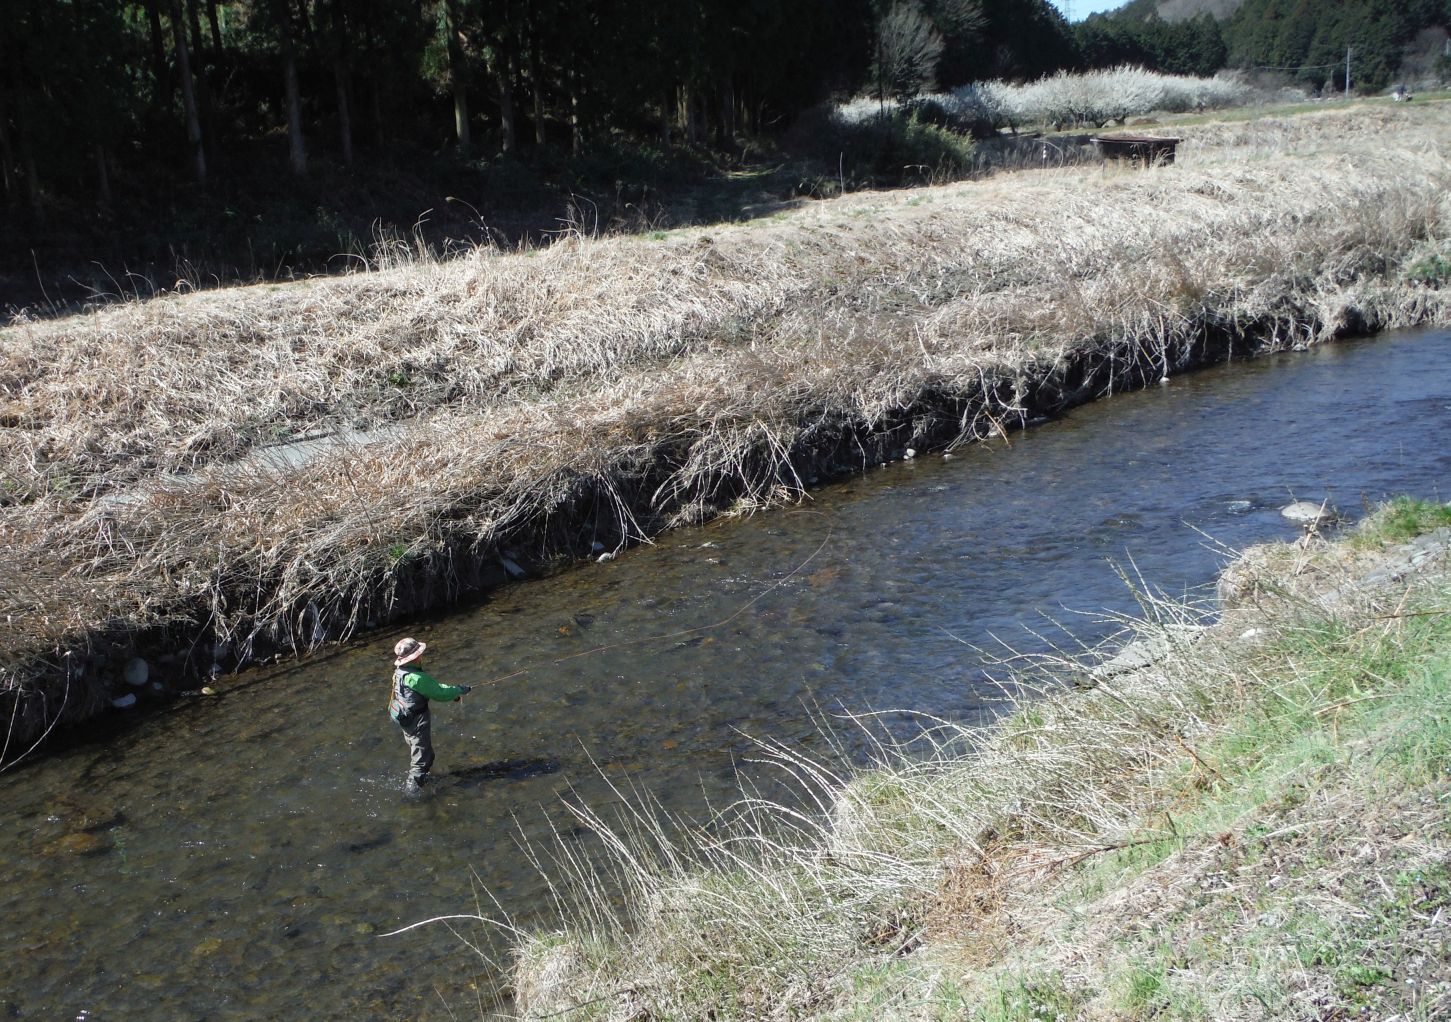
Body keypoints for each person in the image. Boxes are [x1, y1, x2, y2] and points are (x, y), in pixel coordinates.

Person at [388, 637, 471, 792]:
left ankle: (429, 778)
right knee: (421, 761)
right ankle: (411, 795)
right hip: (417, 721)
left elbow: (434, 688)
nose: (421, 655)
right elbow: (439, 693)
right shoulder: (417, 677)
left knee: (423, 751)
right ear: (416, 657)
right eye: (419, 653)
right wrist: (459, 690)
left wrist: (452, 693)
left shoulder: (400, 672)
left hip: (406, 720)